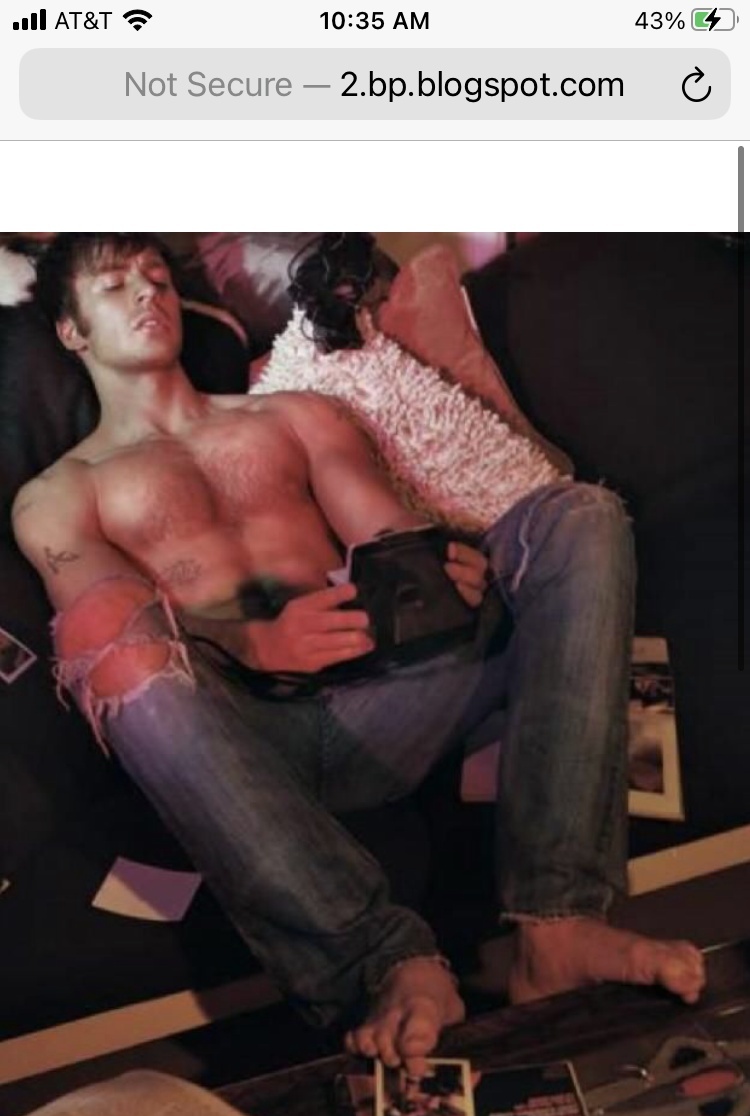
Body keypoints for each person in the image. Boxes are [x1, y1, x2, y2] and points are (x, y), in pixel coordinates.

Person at [12, 233, 705, 1071]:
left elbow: (384, 532)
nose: (147, 293)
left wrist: (439, 570)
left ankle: (557, 928)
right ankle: (384, 964)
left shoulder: (292, 415)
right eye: (114, 284)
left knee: (579, 516)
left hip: (395, 694)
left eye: (157, 275)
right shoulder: (60, 494)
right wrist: (244, 638)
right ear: (71, 331)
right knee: (110, 650)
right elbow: (112, 617)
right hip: (244, 749)